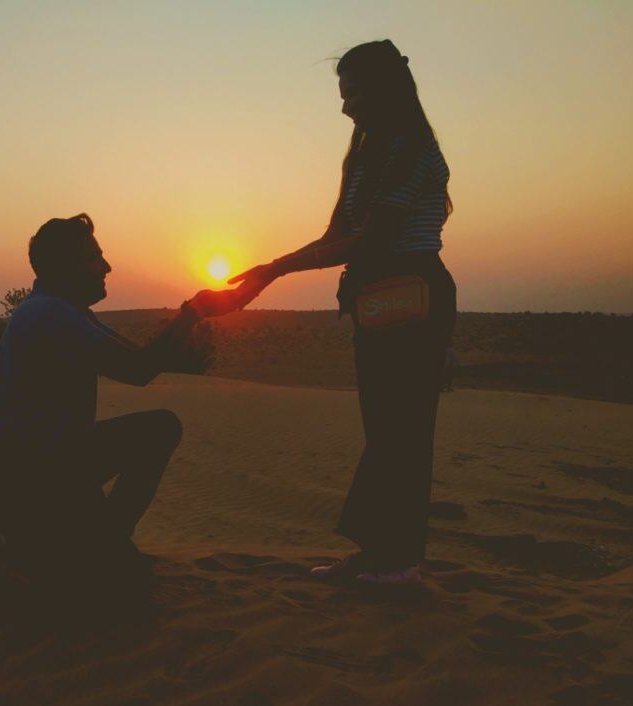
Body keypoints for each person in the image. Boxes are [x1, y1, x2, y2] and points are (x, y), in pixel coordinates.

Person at [229, 40, 457, 585]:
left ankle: (399, 561)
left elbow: (372, 239)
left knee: (402, 430)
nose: (345, 107)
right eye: (342, 94)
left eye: (353, 93)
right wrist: (271, 268)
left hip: (413, 298)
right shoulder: (365, 151)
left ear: (386, 89)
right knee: (384, 429)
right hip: (378, 302)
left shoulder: (411, 148)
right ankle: (382, 554)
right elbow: (339, 234)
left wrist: (276, 269)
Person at [0, 213, 238, 582]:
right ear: (66, 267)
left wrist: (192, 315)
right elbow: (140, 370)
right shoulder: (52, 315)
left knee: (152, 431)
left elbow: (138, 358)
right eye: (94, 257)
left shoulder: (61, 312)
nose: (106, 267)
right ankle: (86, 544)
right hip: (41, 473)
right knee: (159, 429)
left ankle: (85, 543)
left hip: (52, 461)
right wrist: (194, 313)